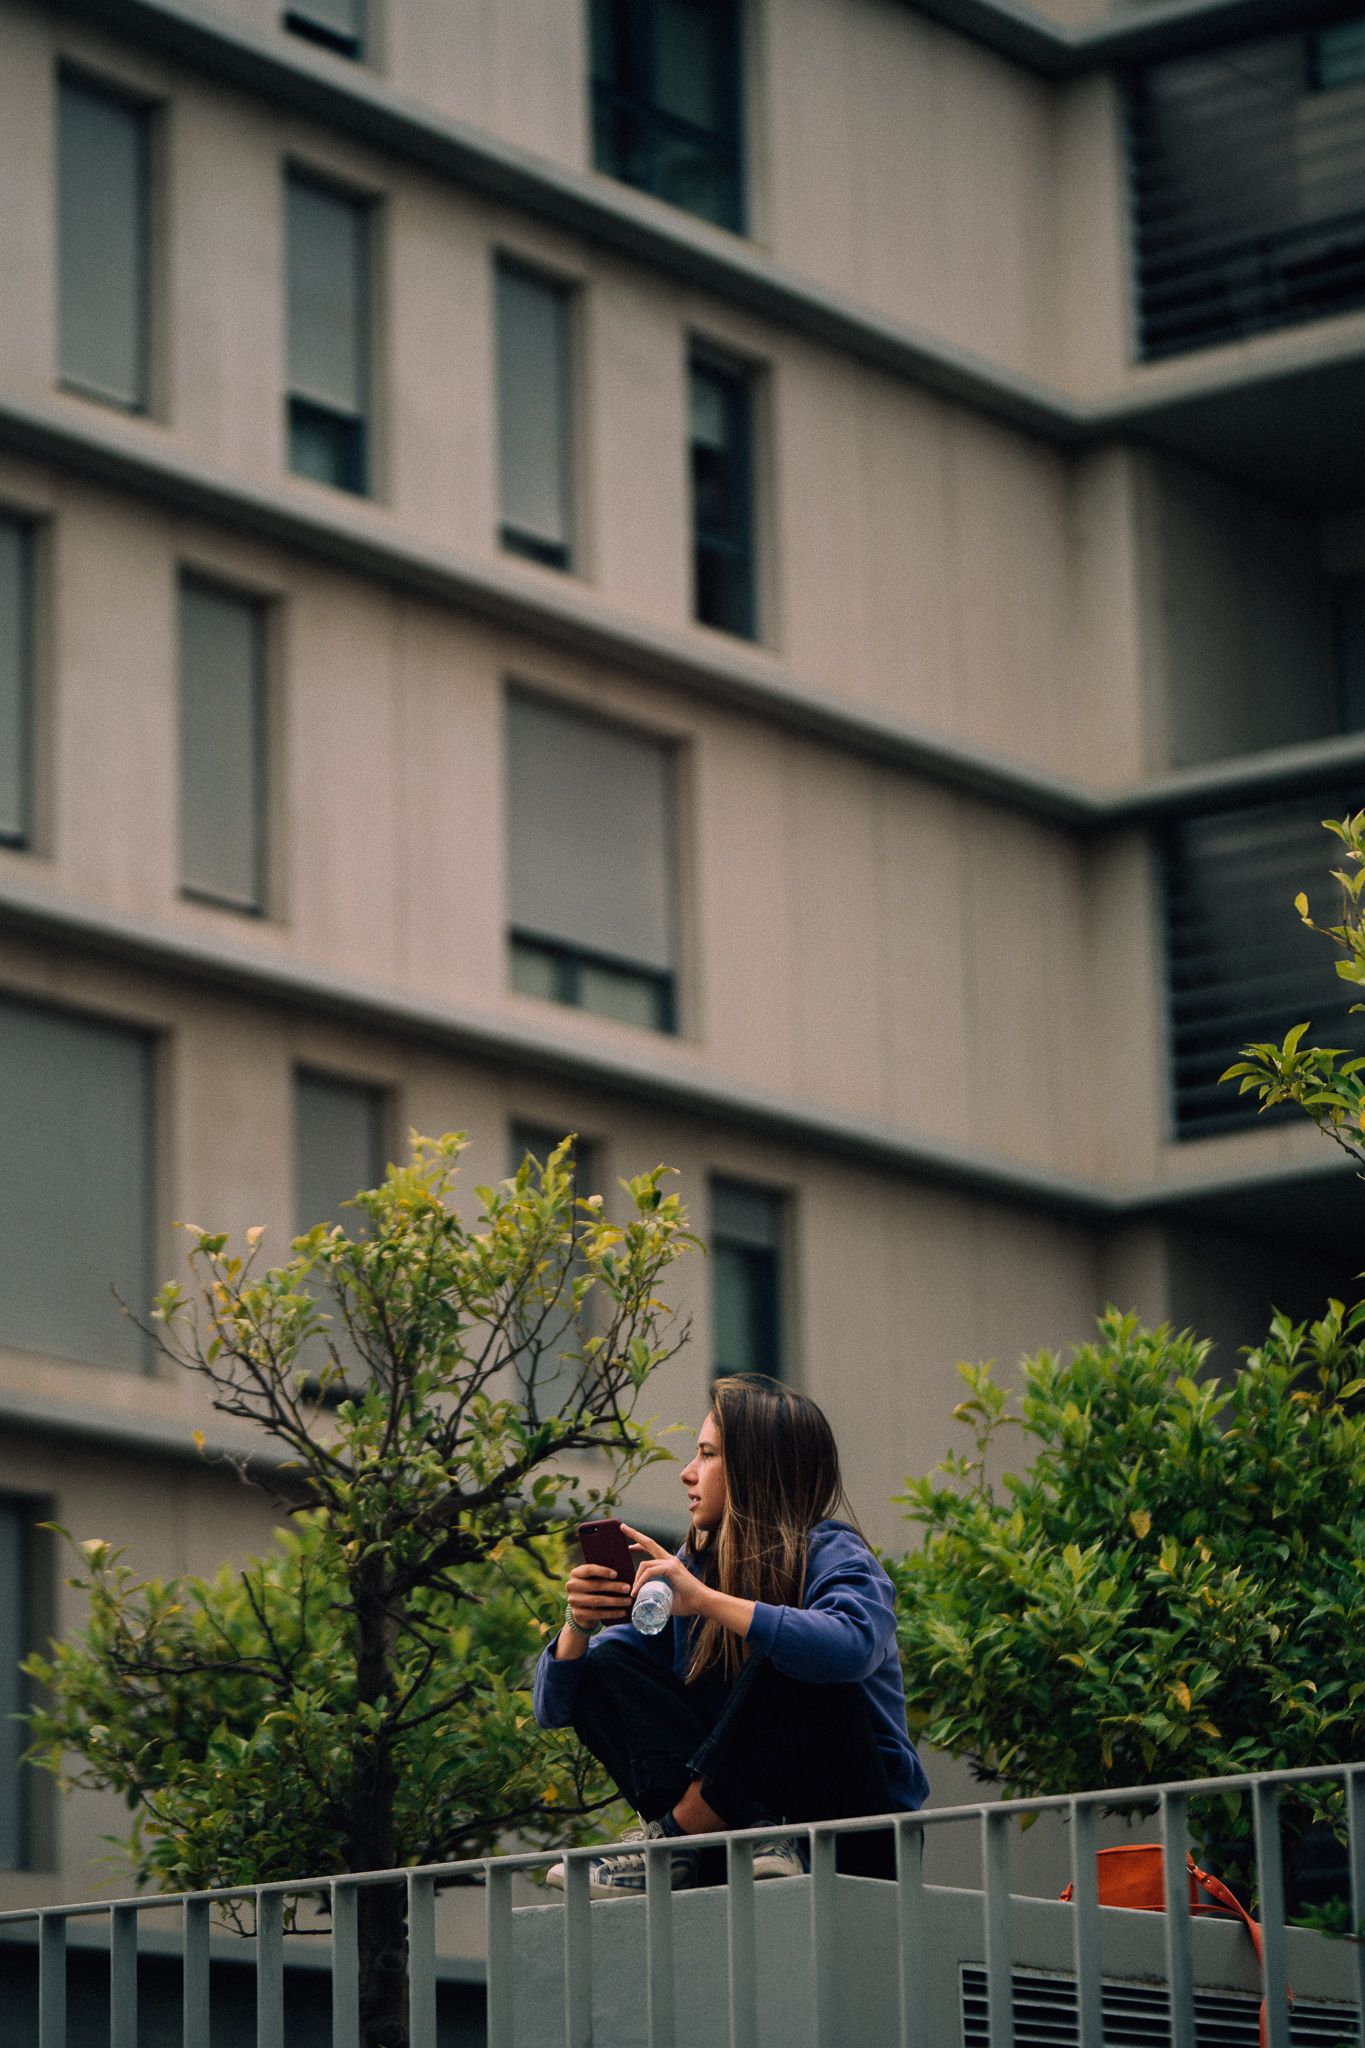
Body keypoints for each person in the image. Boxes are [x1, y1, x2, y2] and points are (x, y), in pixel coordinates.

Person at [534, 1372, 928, 1897]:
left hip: (852, 1835)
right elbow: (558, 1704)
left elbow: (848, 1647)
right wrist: (578, 1624)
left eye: (707, 1454)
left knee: (792, 1649)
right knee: (605, 1665)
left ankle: (672, 1844)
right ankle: (725, 1838)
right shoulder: (695, 1572)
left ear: (756, 1469)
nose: (686, 1473)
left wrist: (706, 1601)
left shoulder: (835, 1553)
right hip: (743, 1843)